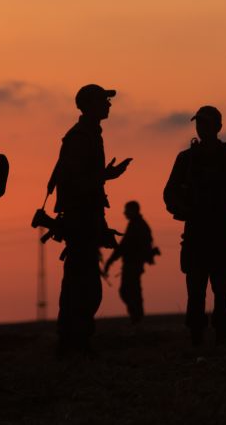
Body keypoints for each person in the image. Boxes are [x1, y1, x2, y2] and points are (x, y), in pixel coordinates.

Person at [163, 106, 226, 346]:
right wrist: (182, 209)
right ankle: (196, 337)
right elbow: (170, 192)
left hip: (224, 235)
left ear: (218, 127)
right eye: (199, 123)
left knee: (223, 291)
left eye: (206, 123)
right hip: (196, 234)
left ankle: (221, 335)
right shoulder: (186, 159)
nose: (201, 127)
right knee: (196, 291)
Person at [51, 84, 131, 356]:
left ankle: (75, 342)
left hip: (87, 217)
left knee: (83, 284)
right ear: (91, 105)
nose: (109, 105)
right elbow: (75, 182)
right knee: (81, 285)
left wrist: (104, 176)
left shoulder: (89, 135)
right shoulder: (80, 137)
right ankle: (73, 343)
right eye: (104, 101)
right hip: (80, 219)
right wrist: (105, 177)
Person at [103, 201, 159, 324]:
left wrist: (109, 262)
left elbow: (124, 246)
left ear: (133, 210)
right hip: (133, 263)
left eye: (127, 210)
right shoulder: (136, 225)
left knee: (129, 291)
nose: (125, 213)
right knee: (131, 291)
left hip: (133, 264)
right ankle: (137, 318)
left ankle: (137, 318)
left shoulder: (137, 225)